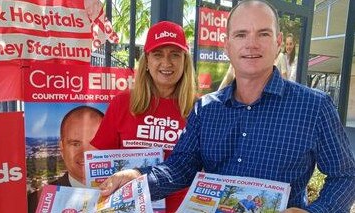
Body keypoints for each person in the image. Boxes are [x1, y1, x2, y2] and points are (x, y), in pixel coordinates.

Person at [98, 1, 355, 212]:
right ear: (227, 45)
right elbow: (180, 168)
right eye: (241, 34)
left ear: (278, 42)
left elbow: (346, 176)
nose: (251, 44)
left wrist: (316, 212)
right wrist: (138, 178)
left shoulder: (314, 106)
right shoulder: (205, 110)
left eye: (263, 34)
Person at [90, 21, 196, 213]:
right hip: (127, 208)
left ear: (184, 61)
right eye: (158, 54)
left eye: (175, 54)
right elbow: (97, 165)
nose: (167, 63)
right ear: (146, 61)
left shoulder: (200, 108)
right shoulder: (122, 103)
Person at [28, 105, 104, 213]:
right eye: (75, 144)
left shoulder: (131, 192)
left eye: (95, 144)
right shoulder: (33, 204)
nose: (86, 154)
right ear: (62, 148)